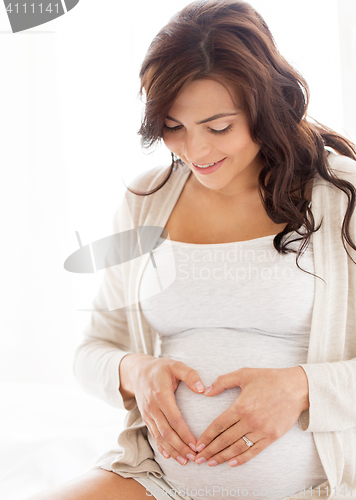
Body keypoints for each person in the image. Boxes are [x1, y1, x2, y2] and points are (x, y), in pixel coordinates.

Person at [26, 0, 356, 499]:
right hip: (159, 480)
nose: (196, 152)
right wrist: (135, 371)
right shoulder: (148, 200)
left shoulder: (341, 196)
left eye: (218, 127)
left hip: (315, 486)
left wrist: (303, 387)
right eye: (174, 127)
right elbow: (92, 350)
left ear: (268, 103)